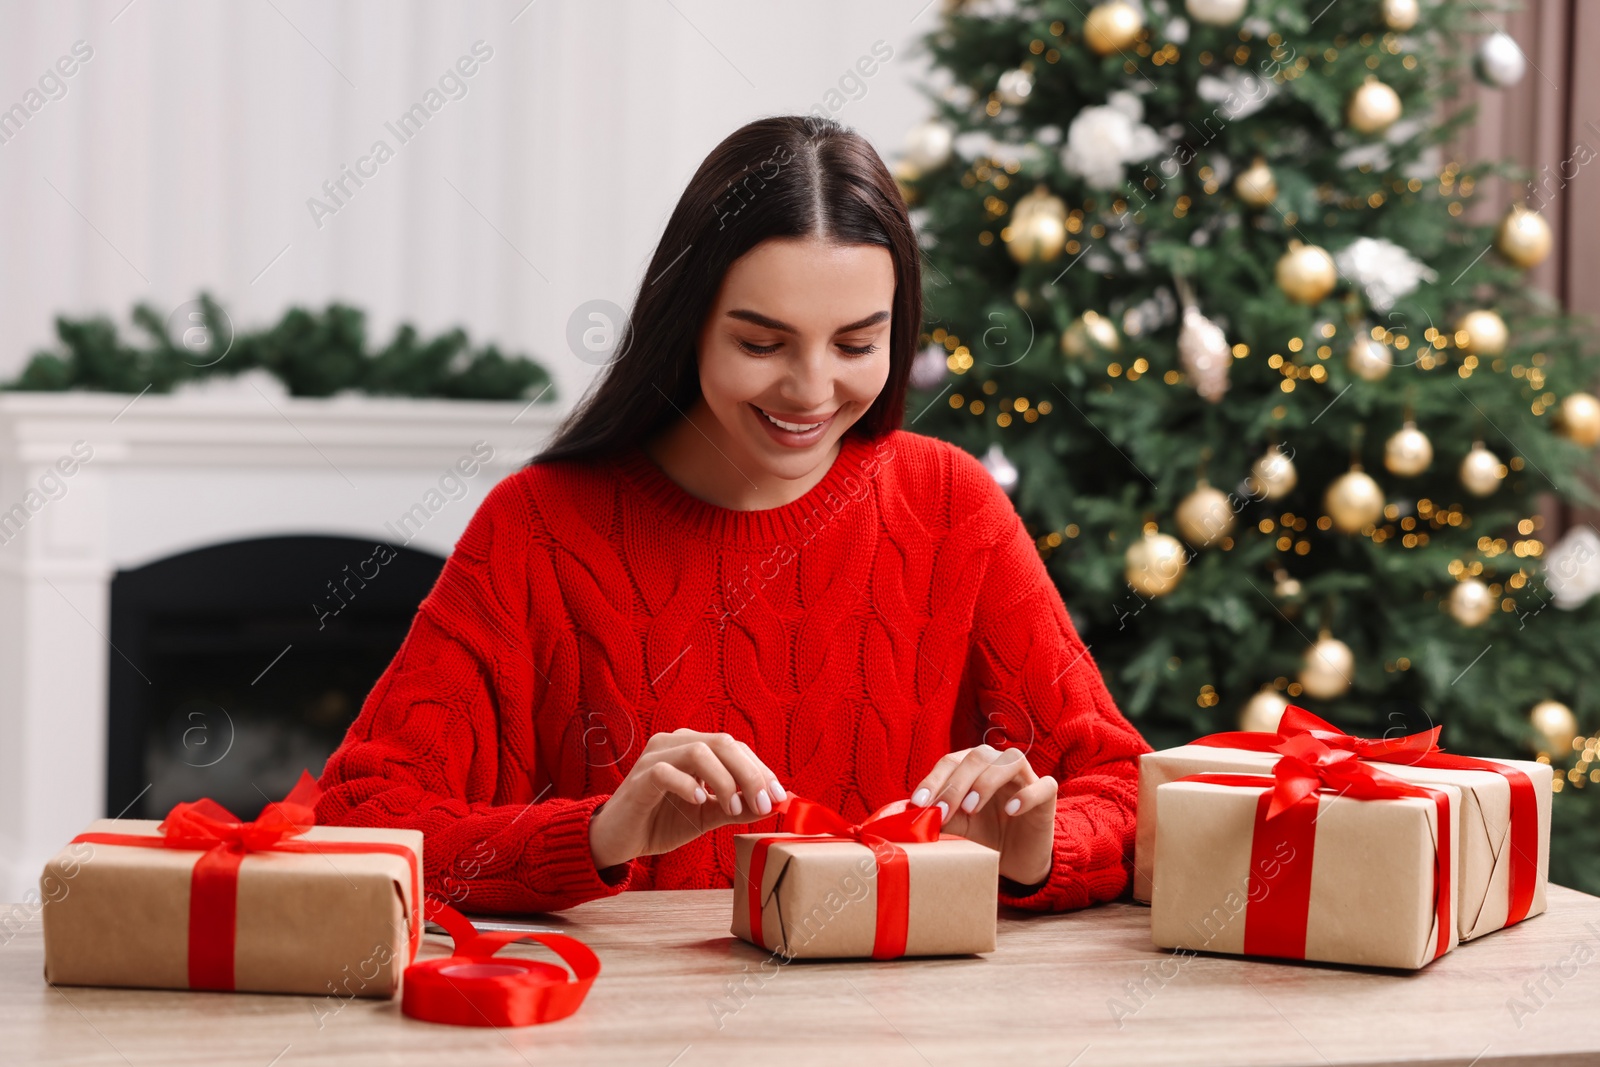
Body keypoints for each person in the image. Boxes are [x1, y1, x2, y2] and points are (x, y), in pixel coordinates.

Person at [315, 114, 1152, 915]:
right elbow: (360, 818)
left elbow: (1125, 788)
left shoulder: (950, 505)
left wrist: (1036, 849)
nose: (812, 390)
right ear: (687, 326)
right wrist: (602, 834)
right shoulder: (536, 526)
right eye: (761, 343)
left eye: (858, 344)